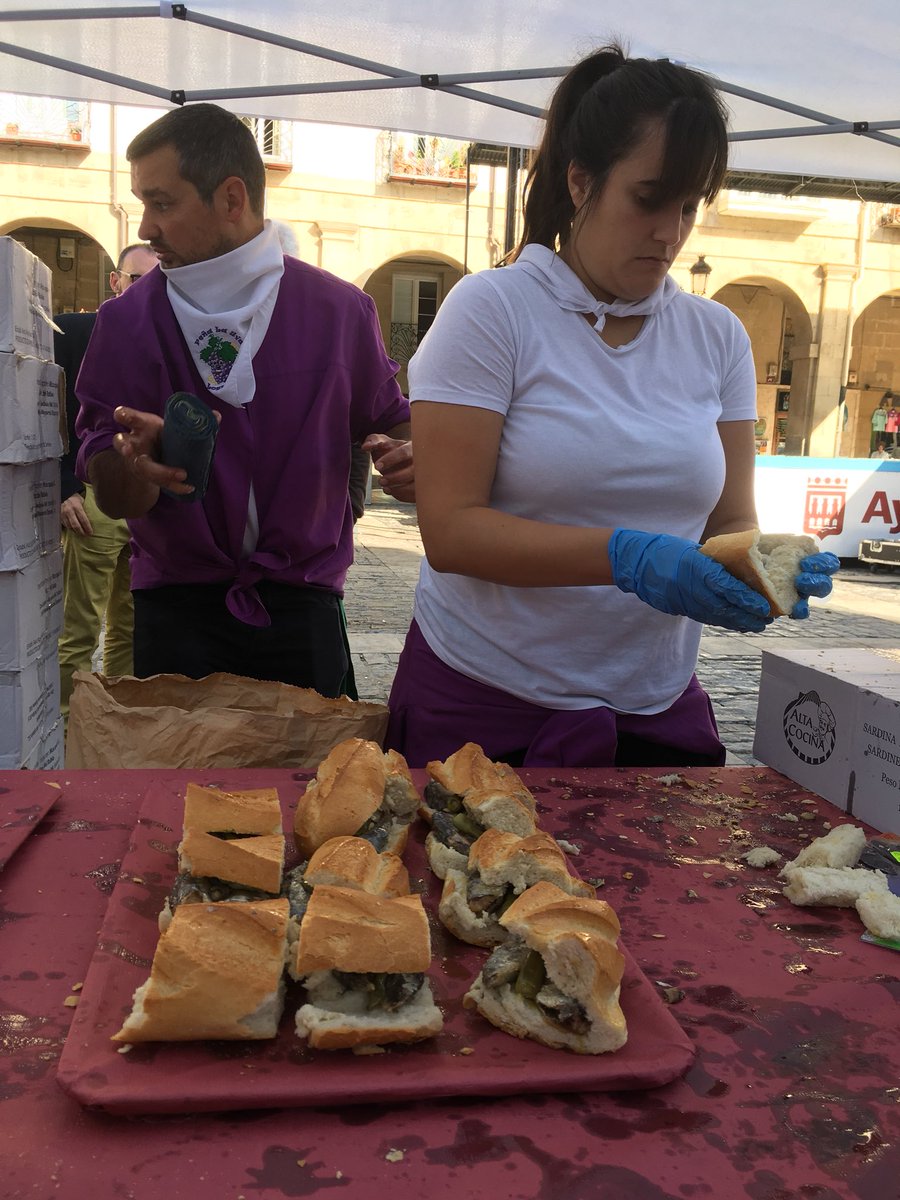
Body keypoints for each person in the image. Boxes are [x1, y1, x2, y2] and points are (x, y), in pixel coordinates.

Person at [386, 44, 839, 769]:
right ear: (581, 181)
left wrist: (757, 566)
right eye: (649, 199)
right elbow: (452, 532)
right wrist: (627, 557)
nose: (670, 232)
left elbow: (728, 519)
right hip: (488, 702)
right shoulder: (493, 312)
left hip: (655, 702)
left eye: (689, 207)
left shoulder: (715, 334)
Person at [74, 103, 412, 699]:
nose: (145, 227)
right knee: (178, 790)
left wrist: (410, 457)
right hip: (175, 610)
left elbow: (395, 424)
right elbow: (114, 489)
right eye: (142, 204)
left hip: (302, 604)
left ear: (232, 198)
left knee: (317, 787)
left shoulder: (338, 312)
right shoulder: (125, 322)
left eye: (162, 202)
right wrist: (130, 463)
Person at [55, 242, 158, 718]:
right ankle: (67, 727)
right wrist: (63, 487)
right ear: (115, 282)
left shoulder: (162, 338)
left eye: (156, 281)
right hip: (92, 500)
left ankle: (117, 727)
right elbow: (41, 412)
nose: (144, 292)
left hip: (146, 507)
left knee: (130, 627)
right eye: (136, 280)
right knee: (79, 628)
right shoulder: (76, 330)